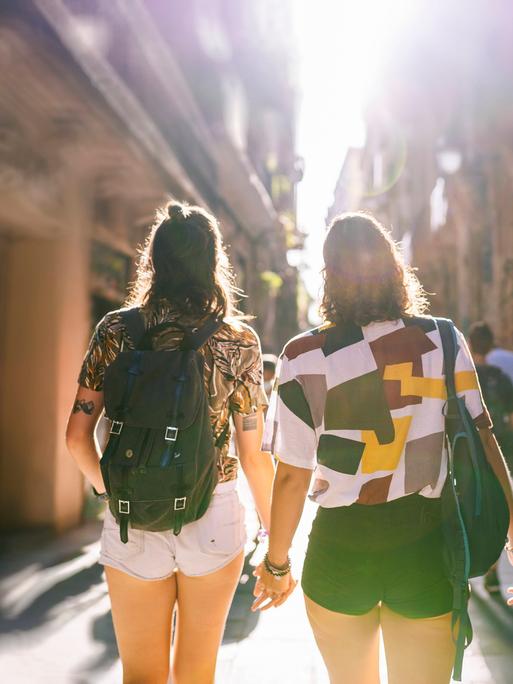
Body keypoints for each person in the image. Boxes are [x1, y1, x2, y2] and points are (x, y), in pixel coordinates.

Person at [253, 212, 513, 684]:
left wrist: (277, 563)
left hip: (339, 548)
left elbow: (292, 473)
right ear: (395, 269)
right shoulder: (443, 339)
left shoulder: (302, 354)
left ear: (330, 275)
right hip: (423, 547)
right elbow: (483, 438)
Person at [66, 202, 275, 684]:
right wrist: (273, 542)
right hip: (213, 512)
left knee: (141, 676)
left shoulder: (116, 330)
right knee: (197, 673)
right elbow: (253, 456)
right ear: (212, 261)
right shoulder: (237, 341)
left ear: (154, 260)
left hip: (131, 514)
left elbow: (77, 437)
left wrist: (113, 491)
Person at [468, 321, 513, 594]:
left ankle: (471, 564)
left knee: (473, 506)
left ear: (471, 345)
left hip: (469, 454)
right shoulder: (499, 374)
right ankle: (493, 570)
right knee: (499, 503)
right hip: (501, 451)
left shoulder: (466, 375)